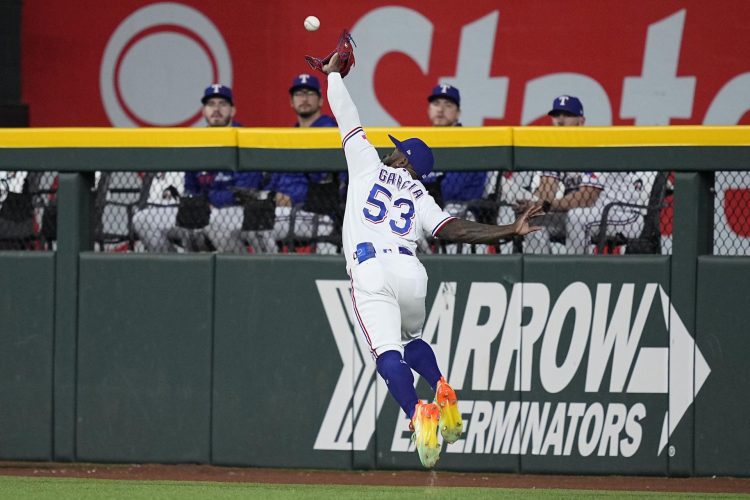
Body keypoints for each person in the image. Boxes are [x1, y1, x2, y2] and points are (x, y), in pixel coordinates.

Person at [320, 53, 542, 468]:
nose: (391, 153)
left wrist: (333, 76)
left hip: (371, 268)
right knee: (413, 339)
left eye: (397, 152)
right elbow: (457, 230)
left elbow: (346, 115)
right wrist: (510, 230)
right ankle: (441, 387)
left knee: (387, 352)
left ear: (404, 160)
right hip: (411, 271)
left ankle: (416, 413)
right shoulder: (423, 197)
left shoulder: (367, 165)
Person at [133, 84, 263, 252]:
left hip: (233, 213)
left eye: (222, 104)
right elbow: (190, 187)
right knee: (142, 220)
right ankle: (176, 269)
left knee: (216, 223)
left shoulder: (245, 138)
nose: (216, 109)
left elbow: (245, 191)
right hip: (202, 212)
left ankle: (238, 271)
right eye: (211, 104)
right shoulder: (197, 140)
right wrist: (197, 203)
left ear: (233, 110)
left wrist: (208, 200)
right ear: (203, 111)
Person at [516, 95, 647, 254]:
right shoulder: (555, 152)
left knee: (577, 217)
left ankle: (576, 272)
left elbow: (586, 199)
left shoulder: (595, 147)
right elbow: (546, 193)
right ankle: (541, 272)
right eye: (556, 115)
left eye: (568, 115)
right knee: (531, 220)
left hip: (624, 215)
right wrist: (534, 206)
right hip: (585, 214)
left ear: (581, 121)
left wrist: (545, 204)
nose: (560, 120)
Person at [253, 74, 343, 252]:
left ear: (320, 101)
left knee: (257, 226)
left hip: (318, 214)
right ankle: (274, 269)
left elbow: (335, 185)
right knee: (251, 223)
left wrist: (292, 198)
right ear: (291, 102)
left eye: (310, 93)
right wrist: (274, 196)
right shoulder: (289, 137)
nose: (304, 98)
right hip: (282, 212)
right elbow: (272, 179)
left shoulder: (330, 131)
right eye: (299, 94)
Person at [423, 84, 493, 253]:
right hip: (426, 210)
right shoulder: (422, 141)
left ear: (458, 113)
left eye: (448, 105)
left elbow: (454, 191)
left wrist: (429, 183)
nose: (441, 109)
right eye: (436, 103)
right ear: (429, 109)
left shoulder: (468, 143)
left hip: (459, 213)